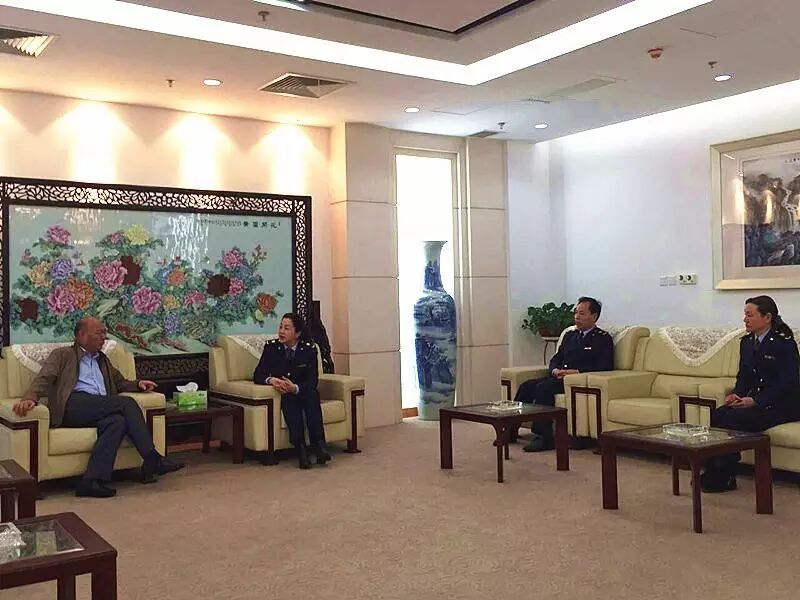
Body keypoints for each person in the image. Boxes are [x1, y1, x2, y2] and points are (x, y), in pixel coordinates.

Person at [12, 317, 184, 498]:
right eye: (99, 333)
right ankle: (152, 459)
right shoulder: (63, 354)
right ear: (81, 335)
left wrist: (138, 384)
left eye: (104, 333)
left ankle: (91, 481)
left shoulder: (102, 359)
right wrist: (30, 397)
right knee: (127, 403)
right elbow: (44, 378)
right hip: (73, 405)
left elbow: (120, 382)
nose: (104, 337)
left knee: (117, 422)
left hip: (98, 406)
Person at [701, 296, 800, 493]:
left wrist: (755, 401)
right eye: (745, 315)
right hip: (756, 401)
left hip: (782, 405)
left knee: (735, 419)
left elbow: (787, 383)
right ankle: (715, 471)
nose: (745, 319)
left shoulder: (784, 344)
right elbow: (744, 377)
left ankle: (724, 474)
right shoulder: (746, 342)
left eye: (750, 315)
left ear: (767, 317)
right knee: (719, 413)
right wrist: (737, 394)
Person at [514, 297, 614, 452]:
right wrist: (554, 370)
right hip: (559, 377)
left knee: (543, 389)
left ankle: (544, 437)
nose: (577, 317)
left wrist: (576, 372)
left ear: (594, 316)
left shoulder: (602, 338)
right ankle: (511, 430)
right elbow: (556, 358)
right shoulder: (570, 335)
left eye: (582, 313)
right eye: (576, 313)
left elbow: (604, 366)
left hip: (576, 381)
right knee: (526, 386)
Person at [253, 312, 330, 469]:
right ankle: (301, 449)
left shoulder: (309, 350)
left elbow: (312, 381)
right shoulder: (271, 348)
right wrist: (271, 380)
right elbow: (258, 374)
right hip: (285, 394)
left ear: (298, 333)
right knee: (289, 399)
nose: (281, 331)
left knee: (312, 395)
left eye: (287, 328)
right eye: (281, 327)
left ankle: (319, 445)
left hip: (302, 391)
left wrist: (295, 388)